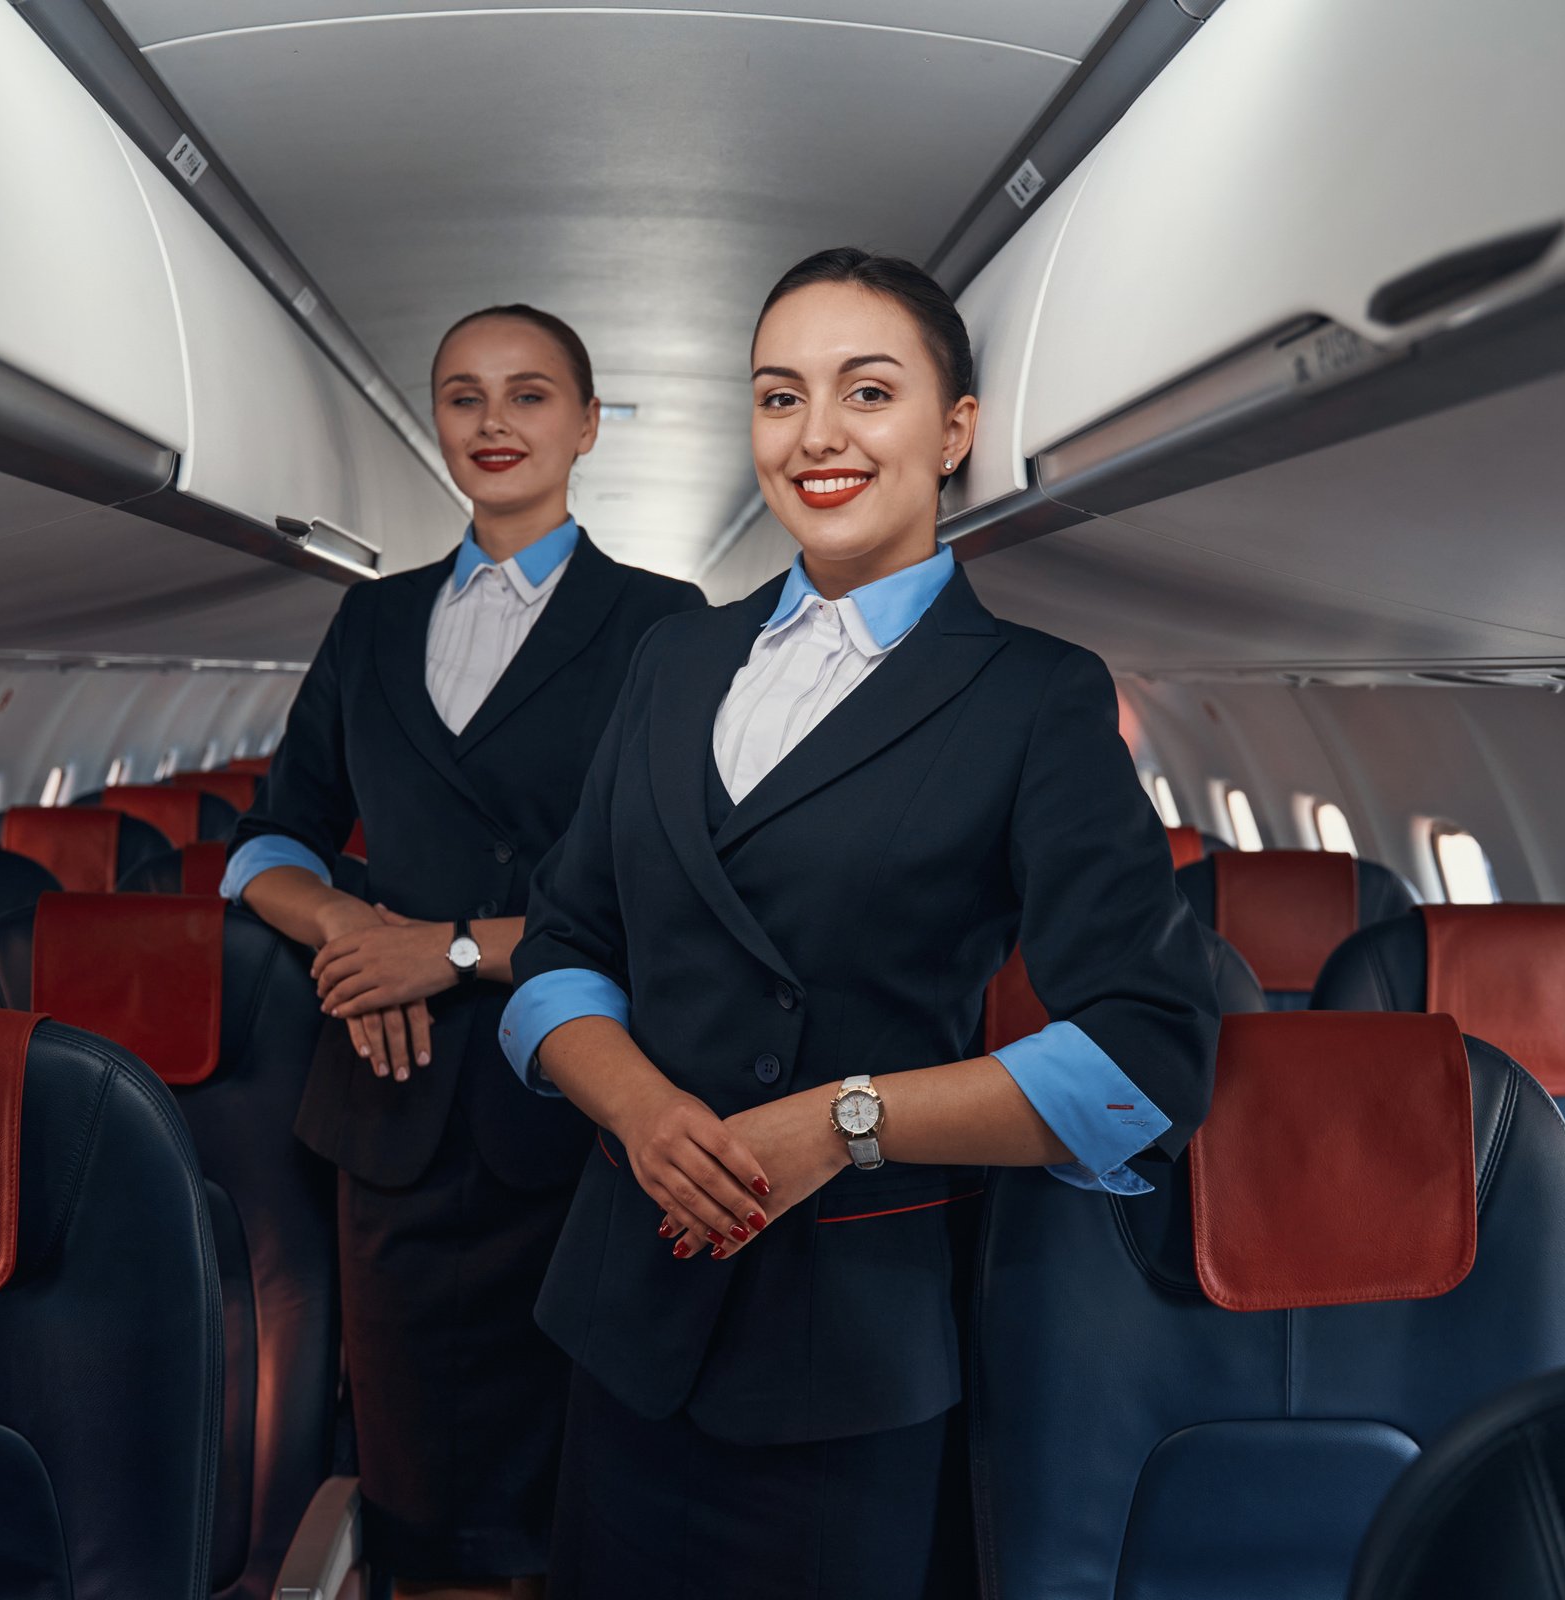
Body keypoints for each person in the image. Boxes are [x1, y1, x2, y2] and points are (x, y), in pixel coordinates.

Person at [497, 249, 1221, 1596]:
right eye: (781, 397)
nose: (817, 434)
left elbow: (1147, 1052)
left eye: (866, 391)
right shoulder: (675, 660)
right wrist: (642, 1111)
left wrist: (846, 1123)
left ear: (955, 432)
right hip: (627, 1315)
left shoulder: (1034, 698)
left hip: (847, 1344)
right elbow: (559, 954)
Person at [224, 304, 704, 1599]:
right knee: (421, 1500)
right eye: (465, 395)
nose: (495, 423)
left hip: (582, 1110)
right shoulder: (371, 623)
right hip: (393, 1109)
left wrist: (446, 948)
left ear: (589, 424)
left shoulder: (665, 625)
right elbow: (270, 843)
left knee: (585, 1493)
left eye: (531, 394)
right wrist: (348, 927)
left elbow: (675, 883)